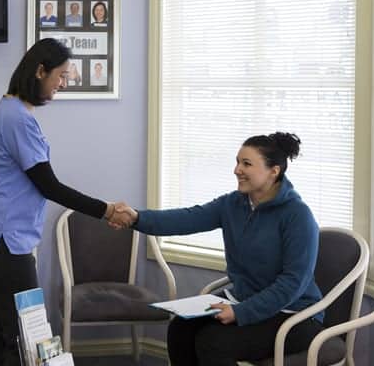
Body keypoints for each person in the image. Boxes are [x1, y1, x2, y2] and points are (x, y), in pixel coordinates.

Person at [0, 38, 131, 366]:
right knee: (28, 337)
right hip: (4, 241)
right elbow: (49, 186)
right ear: (40, 71)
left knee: (0, 333)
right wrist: (107, 210)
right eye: (61, 76)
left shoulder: (11, 110)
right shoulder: (16, 119)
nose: (62, 85)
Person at [114, 132, 324, 366]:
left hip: (295, 315)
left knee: (213, 341)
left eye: (246, 164)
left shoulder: (297, 216)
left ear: (273, 171)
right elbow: (187, 218)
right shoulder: (233, 204)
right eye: (237, 162)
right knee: (180, 329)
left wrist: (241, 312)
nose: (237, 170)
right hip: (244, 299)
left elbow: (293, 283)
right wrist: (136, 218)